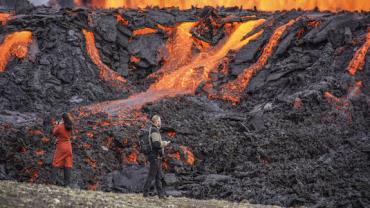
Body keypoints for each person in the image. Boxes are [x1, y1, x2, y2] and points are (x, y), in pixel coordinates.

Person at [143, 115, 171, 199]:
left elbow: (156, 143)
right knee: (151, 176)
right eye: (160, 121)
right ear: (156, 121)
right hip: (154, 156)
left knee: (158, 177)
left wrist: (162, 143)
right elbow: (156, 144)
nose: (160, 122)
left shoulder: (154, 130)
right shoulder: (154, 130)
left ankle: (161, 195)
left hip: (157, 157)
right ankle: (145, 194)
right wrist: (164, 143)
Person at [51, 113, 74, 187]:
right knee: (68, 164)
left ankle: (53, 182)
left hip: (61, 146)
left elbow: (54, 133)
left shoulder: (60, 126)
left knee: (56, 163)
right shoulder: (70, 126)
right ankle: (67, 184)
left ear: (62, 119)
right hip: (69, 147)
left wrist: (56, 125)